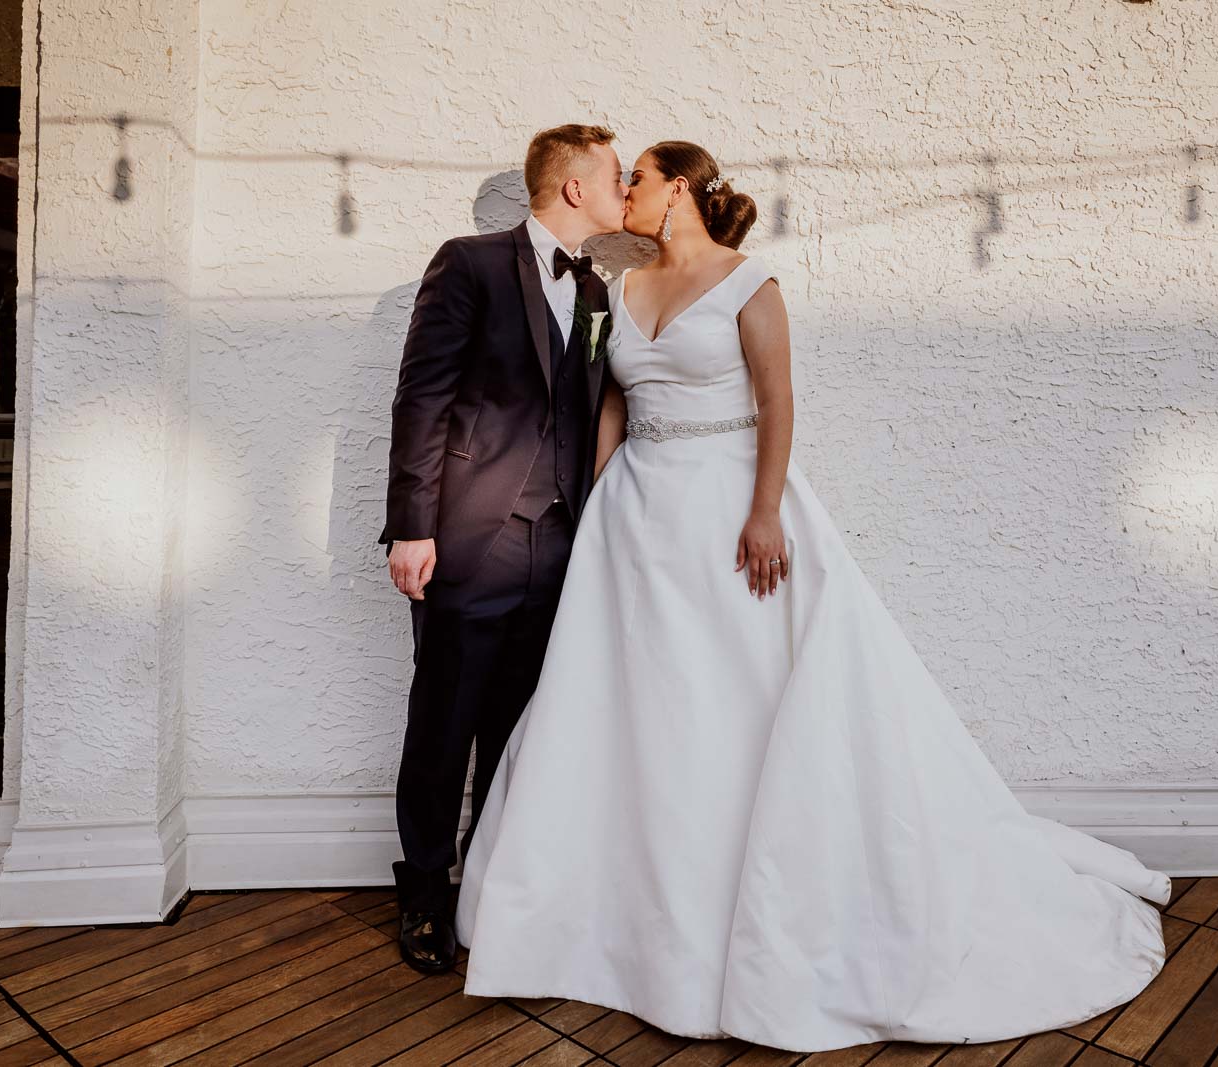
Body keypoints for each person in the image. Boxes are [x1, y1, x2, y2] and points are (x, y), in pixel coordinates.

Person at [452, 140, 1174, 1052]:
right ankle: (629, 919)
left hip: (729, 512)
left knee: (744, 702)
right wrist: (592, 511)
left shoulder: (753, 286)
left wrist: (763, 514)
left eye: (636, 177)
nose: (623, 191)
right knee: (646, 711)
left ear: (679, 187)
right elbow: (613, 409)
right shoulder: (620, 290)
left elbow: (778, 401)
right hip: (637, 525)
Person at [377, 123, 627, 973]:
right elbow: (423, 400)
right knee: (445, 721)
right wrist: (411, 526)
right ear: (573, 189)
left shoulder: (598, 292)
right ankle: (421, 896)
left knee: (520, 730)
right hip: (467, 542)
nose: (624, 192)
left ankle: (485, 888)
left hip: (558, 549)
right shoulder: (471, 263)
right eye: (616, 179)